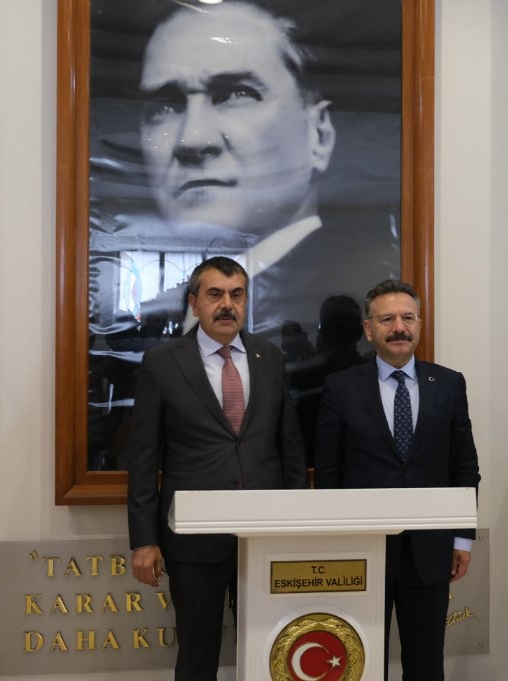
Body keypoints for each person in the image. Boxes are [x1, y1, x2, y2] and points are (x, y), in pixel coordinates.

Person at [87, 0, 398, 469]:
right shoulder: (152, 318)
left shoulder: (345, 287)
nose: (193, 140)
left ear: (318, 134)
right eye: (166, 104)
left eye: (236, 93)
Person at [126, 256, 308, 681]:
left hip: (266, 536)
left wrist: (298, 524)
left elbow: (291, 448)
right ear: (194, 303)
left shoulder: (269, 357)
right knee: (197, 656)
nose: (227, 304)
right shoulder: (163, 361)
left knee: (273, 651)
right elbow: (143, 457)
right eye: (215, 295)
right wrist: (144, 540)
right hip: (194, 542)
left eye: (236, 294)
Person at [313, 279, 480, 681]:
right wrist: (332, 542)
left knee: (426, 664)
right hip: (361, 548)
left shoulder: (449, 384)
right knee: (360, 661)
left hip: (430, 549)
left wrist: (462, 538)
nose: (399, 327)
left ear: (419, 324)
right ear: (369, 329)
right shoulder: (341, 387)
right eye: (387, 319)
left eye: (408, 317)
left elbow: (464, 467)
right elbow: (328, 473)